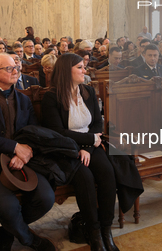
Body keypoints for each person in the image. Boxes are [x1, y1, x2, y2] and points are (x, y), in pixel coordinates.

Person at [0, 54, 56, 251]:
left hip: (21, 161)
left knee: (46, 198)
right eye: (9, 68)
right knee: (9, 207)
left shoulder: (23, 99)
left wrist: (24, 152)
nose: (16, 70)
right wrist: (14, 148)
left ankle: (7, 232)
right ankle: (31, 240)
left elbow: (33, 130)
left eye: (16, 66)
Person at [41, 53, 121, 251]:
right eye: (79, 67)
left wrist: (87, 146)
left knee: (107, 173)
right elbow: (58, 132)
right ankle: (93, 234)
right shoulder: (52, 96)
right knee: (84, 178)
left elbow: (97, 122)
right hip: (67, 149)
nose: (84, 71)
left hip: (90, 146)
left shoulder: (87, 91)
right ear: (66, 70)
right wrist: (85, 144)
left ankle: (106, 230)